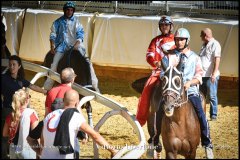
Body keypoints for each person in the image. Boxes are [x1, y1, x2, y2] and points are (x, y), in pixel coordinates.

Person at [167, 28, 214, 159]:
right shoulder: (171, 56)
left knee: (201, 115)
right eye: (176, 39)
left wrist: (189, 83)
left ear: (187, 40)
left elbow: (199, 77)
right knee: (159, 110)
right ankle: (154, 140)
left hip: (191, 92)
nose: (179, 42)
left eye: (181, 39)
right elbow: (166, 72)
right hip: (174, 92)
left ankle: (207, 143)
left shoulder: (195, 58)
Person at [27, 67, 87, 158]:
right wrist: (84, 133)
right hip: (65, 129)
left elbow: (47, 113)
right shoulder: (71, 93)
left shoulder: (51, 91)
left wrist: (41, 148)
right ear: (73, 79)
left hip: (49, 126)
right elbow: (77, 112)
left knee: (31, 139)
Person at [40, 89, 118, 159]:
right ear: (77, 103)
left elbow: (42, 140)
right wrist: (113, 150)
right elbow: (95, 136)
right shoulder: (75, 117)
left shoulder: (50, 115)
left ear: (63, 100)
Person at [43, 1, 99, 92]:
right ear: (64, 10)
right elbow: (52, 34)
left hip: (75, 46)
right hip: (61, 47)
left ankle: (95, 85)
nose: (69, 12)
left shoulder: (77, 22)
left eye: (71, 10)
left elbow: (80, 34)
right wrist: (52, 45)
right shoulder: (57, 22)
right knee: (54, 64)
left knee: (88, 63)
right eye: (68, 10)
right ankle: (48, 84)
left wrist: (77, 43)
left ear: (73, 11)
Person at [136, 15, 175, 127]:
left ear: (171, 26)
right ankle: (140, 120)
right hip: (158, 71)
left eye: (166, 24)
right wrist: (156, 62)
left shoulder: (177, 39)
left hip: (174, 71)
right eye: (162, 25)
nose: (164, 27)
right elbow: (149, 55)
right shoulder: (155, 40)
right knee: (147, 89)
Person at [2, 87, 40, 159]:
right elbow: (36, 136)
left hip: (13, 148)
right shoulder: (30, 114)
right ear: (26, 101)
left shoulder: (11, 115)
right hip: (27, 148)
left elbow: (4, 133)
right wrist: (39, 151)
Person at [199, 28, 221, 121]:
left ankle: (213, 115)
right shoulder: (204, 45)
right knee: (201, 95)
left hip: (211, 76)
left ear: (205, 35)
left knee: (212, 96)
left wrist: (214, 73)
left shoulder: (215, 44)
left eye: (201, 36)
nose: (200, 38)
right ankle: (201, 113)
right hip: (203, 75)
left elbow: (217, 58)